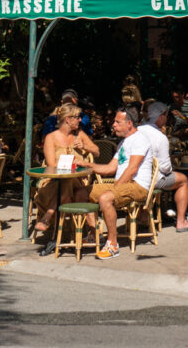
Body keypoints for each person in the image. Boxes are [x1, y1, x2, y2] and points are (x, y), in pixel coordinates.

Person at [85, 106, 154, 259]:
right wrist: (87, 165)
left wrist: (113, 189)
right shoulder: (124, 143)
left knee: (105, 198)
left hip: (138, 186)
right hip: (123, 183)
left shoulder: (140, 140)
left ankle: (113, 244)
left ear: (129, 123)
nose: (113, 124)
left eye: (117, 122)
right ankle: (94, 232)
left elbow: (131, 170)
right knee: (82, 192)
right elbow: (110, 168)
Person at [35, 104, 100, 240]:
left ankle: (48, 215)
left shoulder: (80, 134)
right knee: (69, 182)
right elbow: (52, 166)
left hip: (80, 181)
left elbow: (97, 152)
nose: (80, 120)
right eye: (77, 117)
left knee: (71, 182)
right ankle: (94, 232)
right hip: (53, 183)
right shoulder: (51, 138)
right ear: (67, 119)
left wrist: (85, 146)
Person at [138, 102, 188, 232]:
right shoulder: (160, 137)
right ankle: (181, 221)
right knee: (183, 180)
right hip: (152, 180)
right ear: (161, 116)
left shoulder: (136, 131)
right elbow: (165, 168)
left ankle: (143, 215)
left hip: (135, 177)